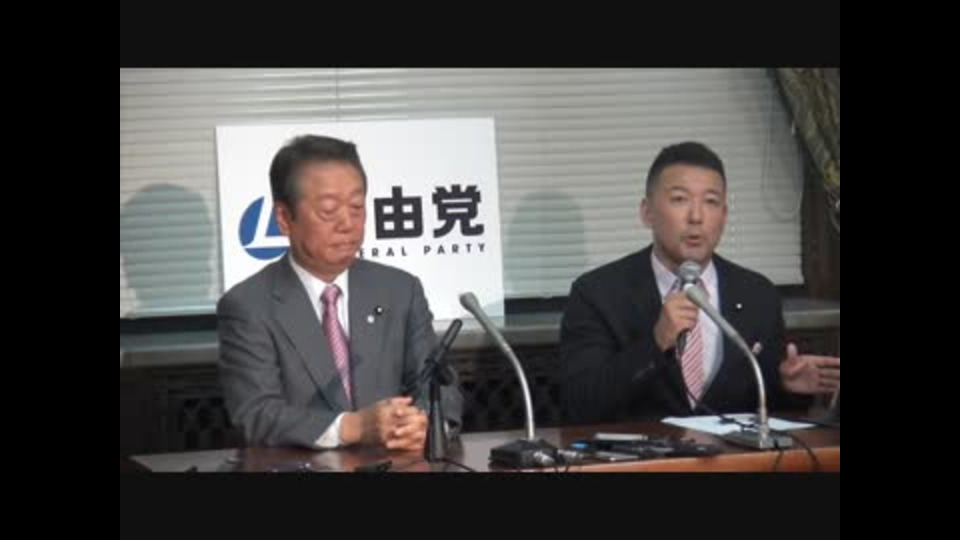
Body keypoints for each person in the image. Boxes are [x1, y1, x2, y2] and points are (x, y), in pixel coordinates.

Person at [560, 141, 840, 424]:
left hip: (732, 452)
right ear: (647, 212)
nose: (696, 217)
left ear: (724, 215)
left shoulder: (757, 294)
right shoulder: (598, 294)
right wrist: (656, 343)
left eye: (711, 202)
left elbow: (766, 405)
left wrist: (788, 386)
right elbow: (580, 404)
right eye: (680, 199)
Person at [218, 134, 463, 449]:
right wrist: (353, 427)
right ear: (284, 218)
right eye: (329, 210)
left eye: (357, 207)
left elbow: (440, 386)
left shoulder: (400, 290)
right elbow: (256, 415)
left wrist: (426, 424)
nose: (348, 223)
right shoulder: (249, 306)